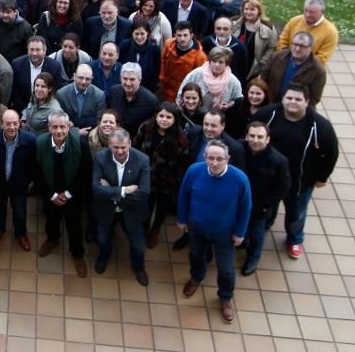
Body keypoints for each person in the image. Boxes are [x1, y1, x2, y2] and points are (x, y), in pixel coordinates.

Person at [251, 84, 338, 260]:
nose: (292, 102)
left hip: (300, 181)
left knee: (296, 213)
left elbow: (331, 153)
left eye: (298, 99)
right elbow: (250, 134)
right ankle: (267, 223)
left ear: (307, 102)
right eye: (289, 98)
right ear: (282, 98)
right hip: (270, 178)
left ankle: (295, 239)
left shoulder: (320, 126)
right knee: (268, 206)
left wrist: (322, 177)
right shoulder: (268, 115)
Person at [178, 140, 252, 324]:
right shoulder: (194, 171)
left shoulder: (239, 179)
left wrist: (240, 232)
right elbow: (184, 195)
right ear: (205, 157)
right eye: (211, 158)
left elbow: (245, 207)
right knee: (195, 255)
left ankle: (225, 297)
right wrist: (182, 219)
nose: (215, 163)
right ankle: (196, 277)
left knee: (226, 270)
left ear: (228, 158)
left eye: (220, 158)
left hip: (224, 233)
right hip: (197, 228)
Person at [35, 110, 91, 276]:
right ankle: (53, 239)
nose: (59, 131)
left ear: (68, 127)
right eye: (55, 127)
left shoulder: (81, 144)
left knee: (74, 225)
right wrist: (51, 195)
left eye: (62, 127)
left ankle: (77, 254)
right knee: (51, 219)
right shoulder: (40, 143)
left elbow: (85, 173)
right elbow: (36, 172)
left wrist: (67, 194)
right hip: (50, 192)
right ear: (49, 128)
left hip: (72, 193)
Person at [92, 129, 151, 285]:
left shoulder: (143, 160)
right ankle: (103, 259)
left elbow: (144, 191)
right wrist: (124, 190)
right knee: (103, 240)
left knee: (138, 245)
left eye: (123, 147)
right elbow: (96, 188)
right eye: (115, 147)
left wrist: (110, 191)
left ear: (129, 144)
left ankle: (139, 267)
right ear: (110, 144)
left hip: (131, 209)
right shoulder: (100, 158)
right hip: (106, 209)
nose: (119, 151)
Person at [133, 102, 191, 248]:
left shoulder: (181, 139)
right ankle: (144, 228)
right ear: (156, 116)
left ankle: (156, 229)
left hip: (167, 182)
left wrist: (172, 180)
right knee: (146, 206)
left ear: (174, 120)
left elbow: (182, 165)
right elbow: (135, 149)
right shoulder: (145, 128)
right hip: (146, 178)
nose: (164, 119)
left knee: (162, 208)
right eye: (161, 116)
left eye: (168, 117)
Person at [241, 121, 291, 276]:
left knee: (257, 233)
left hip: (261, 205)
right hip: (241, 201)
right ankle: (243, 240)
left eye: (260, 137)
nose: (255, 140)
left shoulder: (279, 160)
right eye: (252, 136)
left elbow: (283, 187)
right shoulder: (240, 149)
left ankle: (253, 258)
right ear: (246, 137)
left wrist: (266, 205)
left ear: (268, 139)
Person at [0, 109, 36, 250]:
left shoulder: (30, 141)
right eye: (8, 124)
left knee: (20, 211)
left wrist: (26, 180)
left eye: (15, 123)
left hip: (19, 186)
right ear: (1, 124)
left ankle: (21, 234)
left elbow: (34, 165)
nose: (12, 127)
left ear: (20, 124)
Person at [259, 30, 326, 106]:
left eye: (302, 46)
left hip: (295, 109)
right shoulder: (276, 57)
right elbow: (263, 79)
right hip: (271, 103)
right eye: (295, 44)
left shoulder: (318, 70)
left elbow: (315, 98)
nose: (297, 49)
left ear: (311, 48)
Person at [177, 46, 244, 114]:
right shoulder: (196, 74)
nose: (217, 65)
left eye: (220, 62)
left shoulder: (233, 81)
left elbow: (239, 100)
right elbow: (180, 93)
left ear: (226, 64)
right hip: (193, 115)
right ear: (209, 61)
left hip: (220, 118)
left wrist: (229, 105)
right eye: (214, 61)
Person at [275, 0, 339, 66]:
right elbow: (282, 41)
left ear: (322, 12)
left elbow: (322, 58)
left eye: (312, 12)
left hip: (310, 70)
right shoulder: (294, 21)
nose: (307, 14)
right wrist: (287, 59)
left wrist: (299, 64)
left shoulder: (331, 32)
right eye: (305, 10)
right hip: (286, 62)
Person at [105, 62, 158, 139]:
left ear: (139, 80)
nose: (128, 83)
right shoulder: (113, 92)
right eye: (125, 79)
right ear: (120, 78)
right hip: (113, 138)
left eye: (132, 79)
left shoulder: (151, 101)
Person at [10, 35, 64, 111]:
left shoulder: (55, 66)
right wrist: (25, 111)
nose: (34, 53)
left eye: (37, 50)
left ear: (44, 51)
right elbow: (15, 93)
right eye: (31, 50)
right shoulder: (17, 64)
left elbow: (56, 92)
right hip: (22, 109)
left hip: (47, 110)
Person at [158, 21, 208, 103]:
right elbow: (162, 61)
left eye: (185, 35)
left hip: (184, 95)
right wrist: (161, 77)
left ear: (191, 35)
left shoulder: (200, 56)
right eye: (179, 35)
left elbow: (200, 80)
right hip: (165, 90)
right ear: (175, 35)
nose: (182, 39)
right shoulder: (168, 44)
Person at [232, 0, 278, 80]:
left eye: (252, 9)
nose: (248, 12)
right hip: (233, 63)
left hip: (252, 68)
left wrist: (262, 62)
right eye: (246, 9)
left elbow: (271, 47)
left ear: (259, 11)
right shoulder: (234, 23)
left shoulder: (268, 27)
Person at [57, 64, 106, 134]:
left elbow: (99, 121)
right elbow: (60, 119)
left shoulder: (99, 95)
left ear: (92, 79)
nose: (84, 82)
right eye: (80, 78)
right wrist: (77, 132)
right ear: (74, 76)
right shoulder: (61, 94)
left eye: (87, 79)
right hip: (68, 134)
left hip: (91, 134)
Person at [119, 20, 161, 91]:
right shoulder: (125, 45)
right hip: (127, 85)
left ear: (147, 33)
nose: (139, 37)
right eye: (136, 34)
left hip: (147, 87)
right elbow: (120, 65)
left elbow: (156, 72)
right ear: (132, 33)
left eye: (142, 34)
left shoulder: (154, 49)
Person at [23, 72, 63, 136]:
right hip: (26, 136)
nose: (39, 89)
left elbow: (56, 133)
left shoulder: (55, 110)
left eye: (43, 86)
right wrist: (23, 119)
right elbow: (28, 108)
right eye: (37, 85)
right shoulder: (34, 96)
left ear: (49, 89)